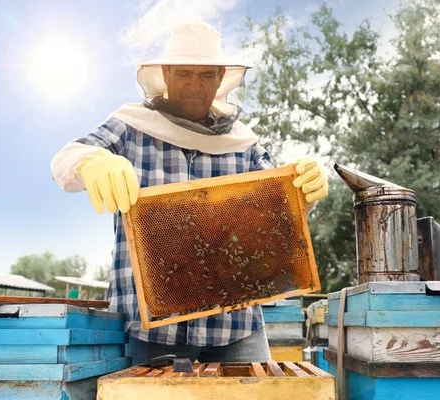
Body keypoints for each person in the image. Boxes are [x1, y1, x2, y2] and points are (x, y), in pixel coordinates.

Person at [51, 21, 328, 365]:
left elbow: (276, 215)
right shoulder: (130, 126)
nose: (195, 85)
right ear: (165, 74)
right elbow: (65, 159)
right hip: (151, 331)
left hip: (235, 328)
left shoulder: (245, 143)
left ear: (220, 78)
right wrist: (91, 161)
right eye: (184, 73)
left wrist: (304, 193)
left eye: (206, 75)